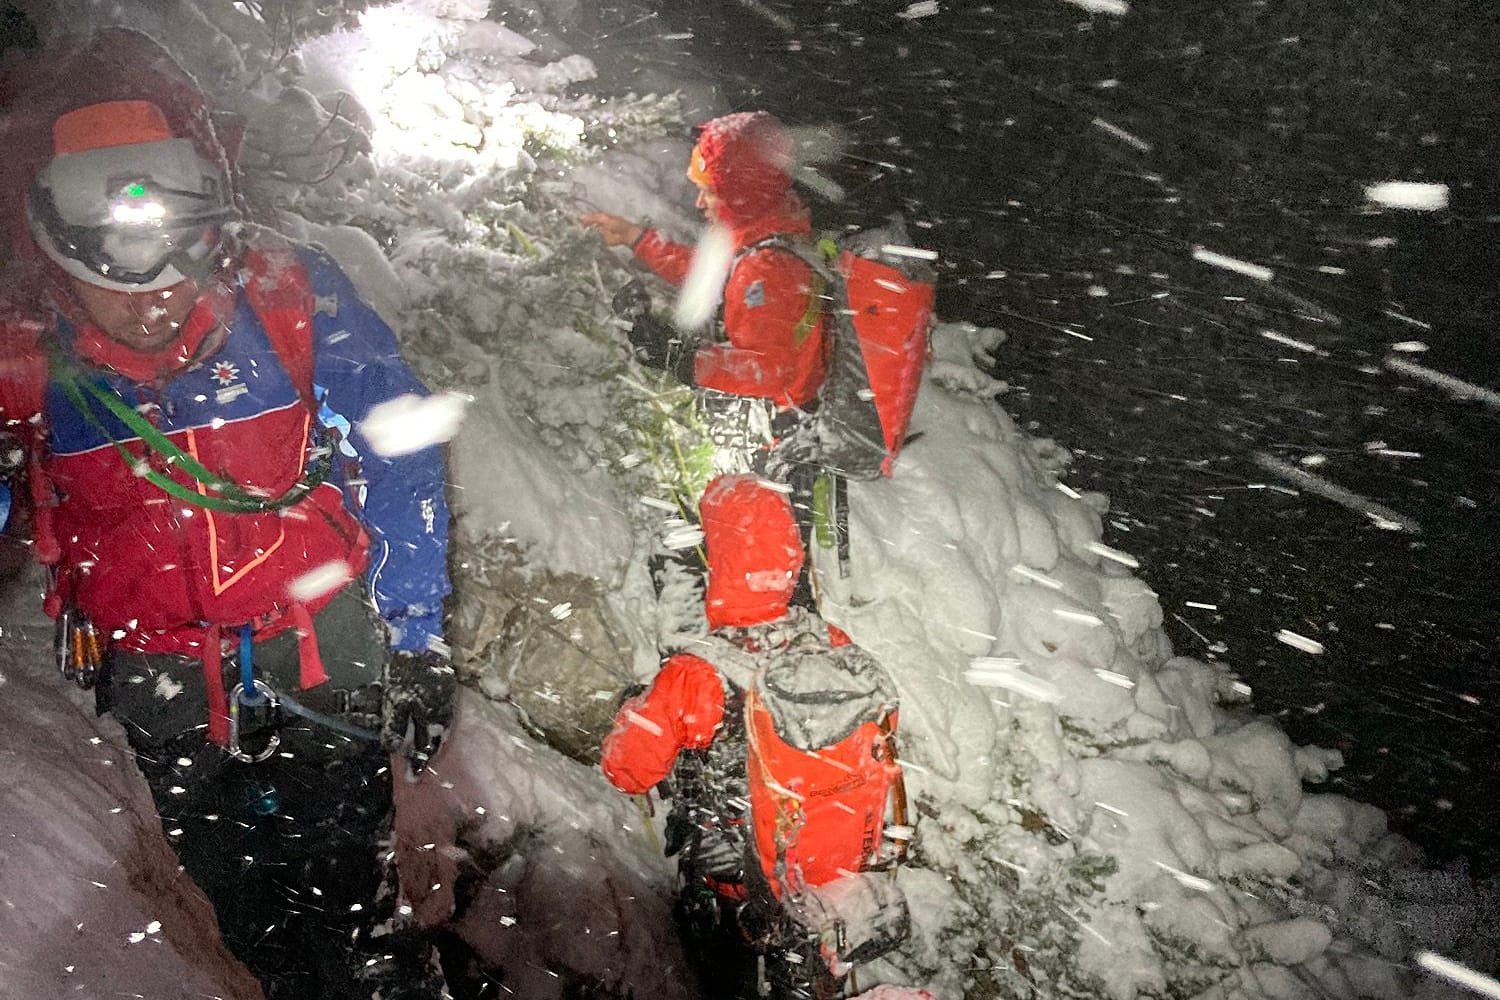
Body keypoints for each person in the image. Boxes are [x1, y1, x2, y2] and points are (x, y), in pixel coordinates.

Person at [0, 31, 454, 1000]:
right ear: (56, 250)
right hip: (154, 669)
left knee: (349, 889)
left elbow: (401, 436)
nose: (149, 311)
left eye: (170, 277)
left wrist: (416, 632)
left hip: (319, 648)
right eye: (112, 288)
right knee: (240, 896)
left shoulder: (285, 293)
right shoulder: (27, 351)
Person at [600, 473, 910, 999]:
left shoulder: (699, 674)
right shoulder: (832, 643)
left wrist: (636, 710)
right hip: (828, 882)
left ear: (718, 560)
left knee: (728, 976)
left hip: (742, 884)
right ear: (790, 554)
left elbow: (626, 769)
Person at [581, 110, 829, 475]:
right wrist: (637, 237)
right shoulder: (769, 230)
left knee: (748, 530)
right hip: (782, 430)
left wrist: (681, 358)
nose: (699, 203)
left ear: (740, 193)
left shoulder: (768, 269)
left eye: (709, 192)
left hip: (777, 448)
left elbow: (768, 372)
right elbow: (717, 277)